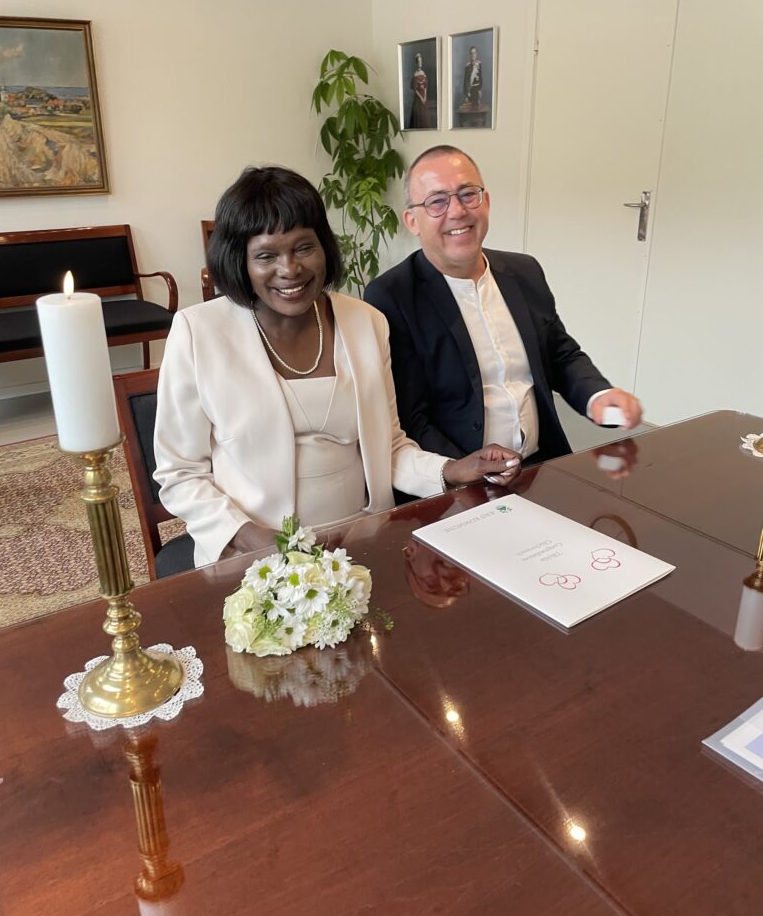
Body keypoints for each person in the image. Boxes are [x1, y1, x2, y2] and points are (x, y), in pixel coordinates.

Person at [153, 165, 523, 568]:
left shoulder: (366, 322)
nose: (290, 269)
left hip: (364, 542)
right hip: (251, 554)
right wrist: (251, 538)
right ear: (239, 261)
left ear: (324, 247)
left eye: (303, 247)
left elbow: (390, 447)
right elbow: (179, 474)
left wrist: (450, 469)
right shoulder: (198, 332)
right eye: (265, 255)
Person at [364, 146, 642, 464]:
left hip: (543, 463)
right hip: (458, 478)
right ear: (413, 221)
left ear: (486, 202)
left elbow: (560, 354)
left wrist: (598, 396)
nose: (457, 211)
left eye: (468, 194)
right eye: (437, 201)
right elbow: (410, 419)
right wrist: (469, 473)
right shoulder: (391, 296)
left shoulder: (524, 272)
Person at [409, 53, 432, 129]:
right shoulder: (415, 74)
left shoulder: (423, 73)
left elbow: (425, 87)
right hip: (418, 99)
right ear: (416, 63)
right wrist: (421, 98)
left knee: (425, 117)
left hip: (424, 98)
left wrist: (425, 96)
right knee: (418, 119)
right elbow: (415, 89)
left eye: (421, 61)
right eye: (418, 62)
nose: (420, 63)